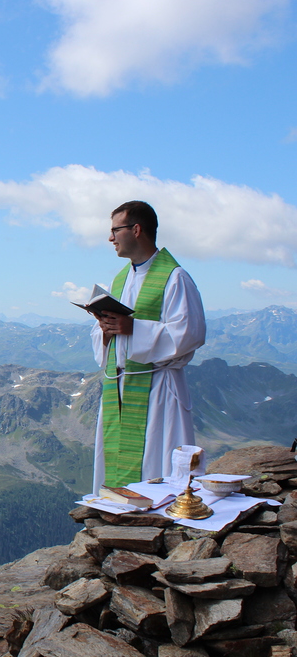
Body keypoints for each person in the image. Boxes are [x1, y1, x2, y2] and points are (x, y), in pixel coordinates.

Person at [89, 200, 206, 494]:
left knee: (157, 467)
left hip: (156, 388)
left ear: (136, 230)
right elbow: (113, 331)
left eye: (115, 230)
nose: (110, 238)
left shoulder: (175, 277)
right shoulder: (120, 279)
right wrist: (105, 328)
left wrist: (134, 329)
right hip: (120, 387)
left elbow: (190, 332)